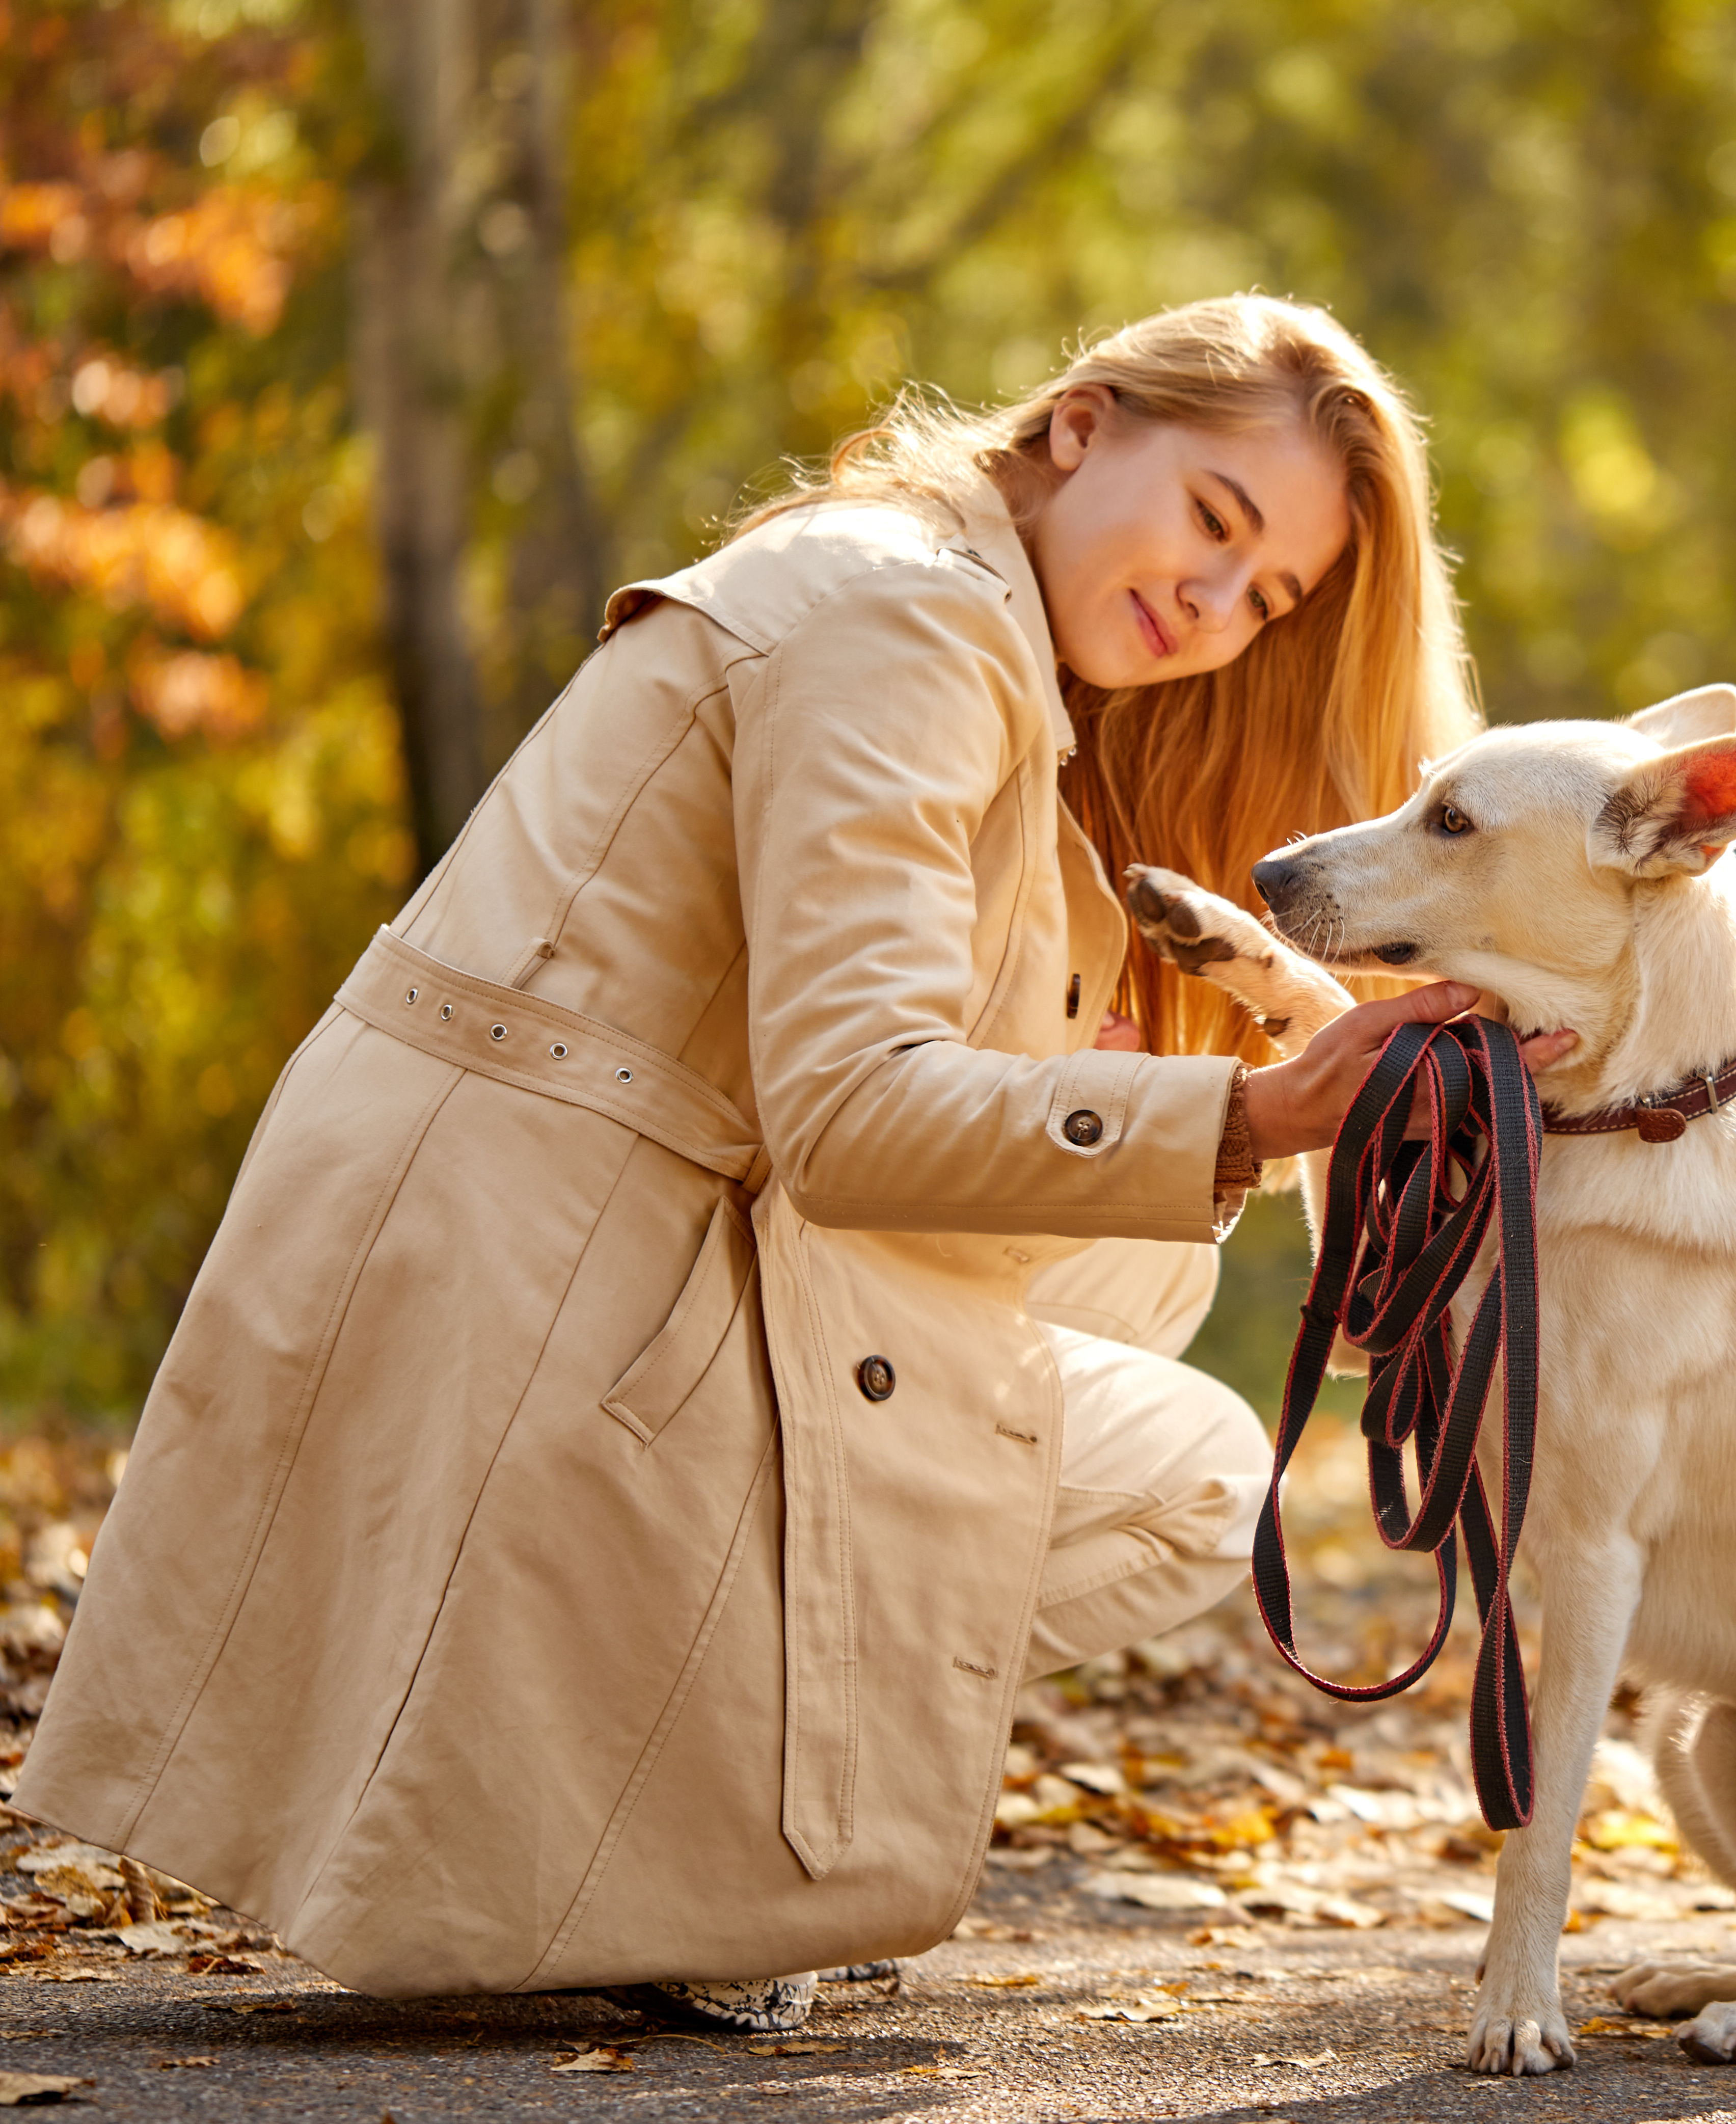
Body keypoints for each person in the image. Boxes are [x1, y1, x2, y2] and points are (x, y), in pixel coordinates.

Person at [19, 294, 1568, 2031]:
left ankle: (672, 1757)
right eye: (1216, 520)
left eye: (1265, 594)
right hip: (537, 1260)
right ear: (1081, 422)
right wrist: (1255, 1114)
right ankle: (693, 1815)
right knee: (1201, 1473)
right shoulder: (907, 620)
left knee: (1148, 1259)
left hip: (537, 1221)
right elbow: (844, 1110)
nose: (1217, 607)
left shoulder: (928, 590)